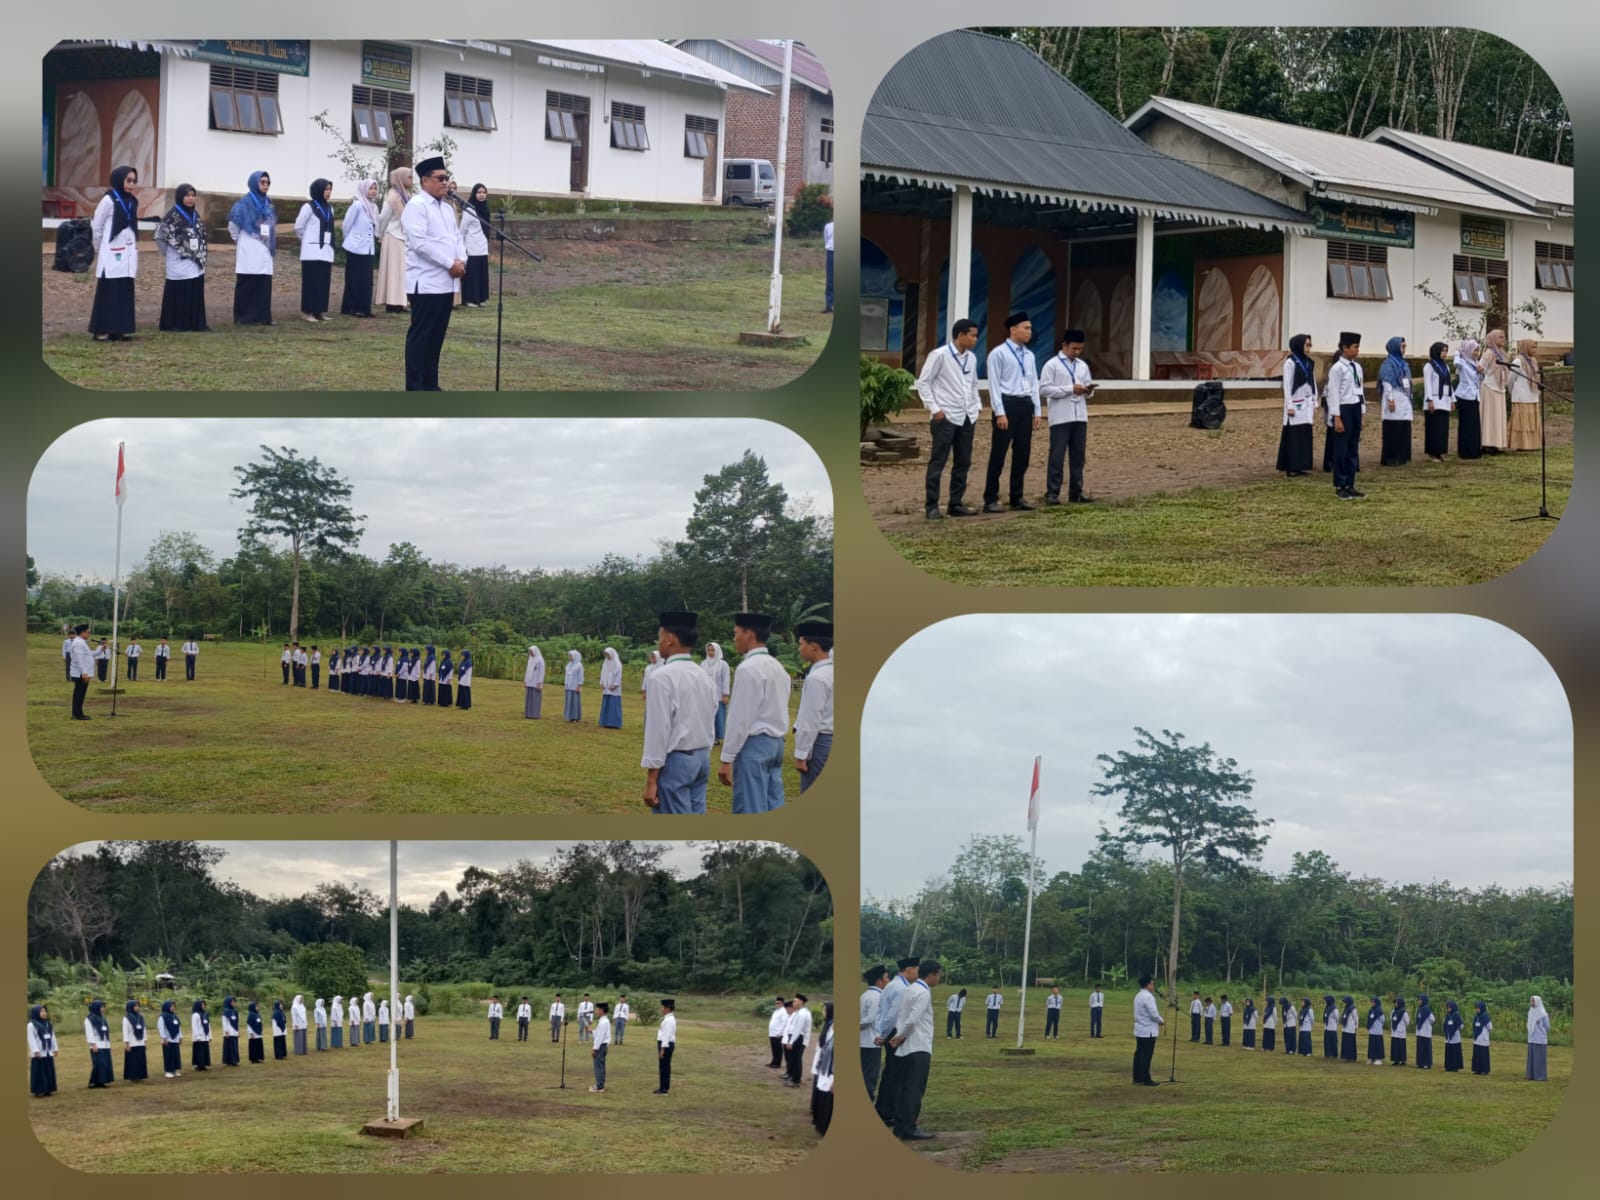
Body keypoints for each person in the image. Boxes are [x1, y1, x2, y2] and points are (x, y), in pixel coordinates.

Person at [640, 611, 718, 815]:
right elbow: (710, 718)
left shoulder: (661, 677)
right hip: (701, 757)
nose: (658, 642)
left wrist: (651, 780)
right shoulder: (704, 676)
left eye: (659, 636)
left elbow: (658, 730)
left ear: (670, 638)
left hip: (677, 761)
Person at [402, 156, 467, 391]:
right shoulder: (417, 206)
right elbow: (420, 243)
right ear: (425, 180)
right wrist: (450, 263)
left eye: (446, 177)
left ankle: (431, 384)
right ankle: (415, 387)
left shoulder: (447, 209)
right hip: (426, 282)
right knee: (421, 336)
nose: (445, 182)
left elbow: (457, 238)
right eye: (440, 178)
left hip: (446, 283)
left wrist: (462, 260)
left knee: (437, 338)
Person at [719, 612, 792, 813]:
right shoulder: (779, 668)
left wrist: (726, 758)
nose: (734, 638)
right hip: (776, 745)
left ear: (749, 634)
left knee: (749, 808)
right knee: (773, 804)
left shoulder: (748, 669)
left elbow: (740, 718)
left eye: (736, 633)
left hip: (754, 746)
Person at [916, 317, 983, 519]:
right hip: (945, 417)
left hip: (967, 416)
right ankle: (932, 505)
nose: (975, 340)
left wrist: (977, 406)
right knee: (938, 461)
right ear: (961, 335)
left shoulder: (971, 358)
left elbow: (972, 384)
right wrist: (935, 409)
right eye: (972, 335)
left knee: (963, 462)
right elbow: (924, 383)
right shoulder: (939, 355)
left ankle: (956, 504)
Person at [983, 311, 1043, 512]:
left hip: (1025, 405)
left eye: (1030, 328)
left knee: (1022, 454)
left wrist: (1037, 411)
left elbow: (1034, 383)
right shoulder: (998, 353)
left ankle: (1017, 497)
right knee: (998, 453)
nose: (1029, 332)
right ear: (1013, 329)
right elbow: (994, 385)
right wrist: (999, 412)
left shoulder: (1029, 355)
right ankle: (990, 499)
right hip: (1007, 404)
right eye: (1026, 328)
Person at [1042, 327, 1096, 502]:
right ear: (1064, 345)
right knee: (1057, 456)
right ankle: (1052, 493)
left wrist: (1088, 391)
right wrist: (1069, 389)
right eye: (1074, 348)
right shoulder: (1052, 365)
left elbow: (1088, 389)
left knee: (1078, 457)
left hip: (1080, 415)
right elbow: (1044, 389)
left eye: (1080, 349)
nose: (1077, 352)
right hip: (1060, 416)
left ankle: (1076, 492)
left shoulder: (1082, 365)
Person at [888, 960, 940, 1140]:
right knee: (914, 1089)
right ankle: (909, 1127)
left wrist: (899, 1035)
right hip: (918, 1046)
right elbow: (912, 1019)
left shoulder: (909, 989)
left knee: (904, 1088)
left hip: (906, 1048)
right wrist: (900, 1036)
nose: (938, 979)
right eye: (938, 976)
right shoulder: (923, 992)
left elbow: (901, 1016)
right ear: (931, 975)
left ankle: (900, 1126)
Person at [88, 165, 140, 341]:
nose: (131, 184)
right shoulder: (108, 200)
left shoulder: (132, 201)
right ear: (119, 179)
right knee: (109, 291)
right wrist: (97, 247)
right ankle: (101, 330)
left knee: (124, 291)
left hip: (128, 253)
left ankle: (119, 329)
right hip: (111, 254)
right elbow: (97, 226)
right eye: (128, 180)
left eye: (134, 181)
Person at [153, 183, 210, 332]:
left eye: (193, 195)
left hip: (194, 260)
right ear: (180, 197)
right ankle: (176, 324)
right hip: (178, 259)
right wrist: (168, 252)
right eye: (187, 195)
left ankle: (194, 323)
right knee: (180, 291)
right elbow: (160, 236)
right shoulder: (172, 216)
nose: (191, 198)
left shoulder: (195, 214)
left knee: (194, 288)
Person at [873, 957, 919, 1125]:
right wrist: (885, 1035)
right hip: (894, 1032)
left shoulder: (894, 985)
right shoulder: (901, 988)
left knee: (892, 1072)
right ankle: (886, 1111)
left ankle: (885, 1109)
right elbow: (893, 1015)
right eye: (916, 970)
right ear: (909, 969)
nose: (917, 973)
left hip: (890, 1031)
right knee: (895, 1073)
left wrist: (881, 1033)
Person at [227, 171, 277, 326]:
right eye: (262, 182)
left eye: (268, 183)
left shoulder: (269, 204)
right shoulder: (244, 203)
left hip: (265, 247)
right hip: (249, 245)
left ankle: (262, 317)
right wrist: (239, 239)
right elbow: (233, 224)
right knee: (248, 282)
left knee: (263, 282)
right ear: (254, 183)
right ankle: (244, 317)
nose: (266, 185)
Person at [794, 621, 834, 792]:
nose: (799, 649)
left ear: (813, 646)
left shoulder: (816, 678)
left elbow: (810, 719)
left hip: (819, 742)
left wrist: (801, 754)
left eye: (801, 644)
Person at [1328, 331, 1367, 499]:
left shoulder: (1356, 367)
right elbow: (1333, 394)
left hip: (1355, 407)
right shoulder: (1337, 369)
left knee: (1353, 448)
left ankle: (1350, 483)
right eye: (1354, 347)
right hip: (1343, 409)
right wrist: (1336, 416)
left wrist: (1362, 412)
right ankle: (1340, 484)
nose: (1357, 350)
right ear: (1345, 348)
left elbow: (1360, 390)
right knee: (1341, 449)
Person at [295, 178, 337, 321]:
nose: (329, 192)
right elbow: (299, 226)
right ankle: (307, 312)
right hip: (311, 252)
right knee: (311, 282)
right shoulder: (308, 207)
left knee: (323, 282)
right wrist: (307, 239)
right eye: (326, 189)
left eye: (330, 189)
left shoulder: (330, 208)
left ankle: (319, 311)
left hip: (326, 250)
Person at [339, 179, 380, 317]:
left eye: (375, 188)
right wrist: (350, 240)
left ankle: (364, 307)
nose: (373, 191)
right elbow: (347, 224)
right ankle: (352, 307)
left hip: (368, 248)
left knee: (366, 280)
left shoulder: (374, 207)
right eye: (370, 188)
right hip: (355, 247)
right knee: (354, 278)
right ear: (364, 189)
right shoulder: (358, 205)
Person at [1278, 333, 1317, 475]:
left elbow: (1312, 381)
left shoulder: (1309, 362)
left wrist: (1314, 400)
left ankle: (1302, 464)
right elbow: (1287, 385)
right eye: (1307, 345)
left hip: (1307, 402)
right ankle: (1291, 466)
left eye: (1310, 345)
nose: (1309, 348)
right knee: (1294, 434)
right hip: (1295, 402)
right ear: (1299, 345)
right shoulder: (1290, 363)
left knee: (1304, 432)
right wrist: (1289, 405)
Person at [377, 168, 412, 313]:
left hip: (403, 237)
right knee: (393, 270)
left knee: (402, 271)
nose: (411, 180)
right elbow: (383, 218)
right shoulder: (392, 197)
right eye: (409, 177)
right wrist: (380, 235)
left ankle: (400, 302)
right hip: (393, 236)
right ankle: (392, 303)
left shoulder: (406, 195)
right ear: (401, 178)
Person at [1378, 336, 1414, 466]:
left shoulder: (1403, 363)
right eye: (1402, 347)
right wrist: (1390, 399)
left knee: (1403, 426)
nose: (1404, 349)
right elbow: (1386, 382)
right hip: (1394, 396)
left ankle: (1403, 456)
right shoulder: (1389, 364)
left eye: (1405, 347)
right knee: (1393, 427)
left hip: (1404, 397)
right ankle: (1391, 458)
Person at [1478, 330, 1511, 453]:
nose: (1503, 339)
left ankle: (1496, 443)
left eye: (1504, 337)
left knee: (1498, 416)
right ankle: (1487, 443)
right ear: (1493, 339)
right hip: (1490, 388)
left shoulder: (1503, 354)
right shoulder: (1489, 353)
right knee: (1490, 416)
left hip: (1500, 388)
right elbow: (1480, 368)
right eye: (1500, 337)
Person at [461, 183, 492, 306]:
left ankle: (481, 298)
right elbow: (462, 229)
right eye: (479, 192)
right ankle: (470, 299)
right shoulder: (470, 209)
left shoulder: (485, 209)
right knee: (472, 273)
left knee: (481, 273)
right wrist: (461, 247)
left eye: (484, 192)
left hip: (482, 246)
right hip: (472, 246)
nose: (481, 195)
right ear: (474, 194)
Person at [1422, 342, 1454, 461]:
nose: (1444, 353)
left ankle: (1440, 451)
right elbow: (1428, 384)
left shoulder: (1446, 366)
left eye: (1446, 351)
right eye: (1442, 351)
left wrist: (1452, 399)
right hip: (1434, 400)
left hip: (1444, 401)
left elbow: (1449, 384)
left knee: (1442, 428)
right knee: (1434, 428)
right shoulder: (1429, 366)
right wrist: (1430, 399)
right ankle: (1432, 453)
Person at [1510, 339, 1544, 450]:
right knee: (1522, 423)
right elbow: (1511, 379)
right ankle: (1521, 445)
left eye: (1535, 347)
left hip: (1533, 395)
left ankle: (1533, 444)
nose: (1534, 350)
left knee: (1532, 423)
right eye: (1532, 347)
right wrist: (1513, 392)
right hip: (1522, 397)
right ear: (1525, 347)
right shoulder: (1518, 361)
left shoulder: (1533, 360)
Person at [1454, 339, 1483, 458]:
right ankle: (1465, 451)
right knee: (1466, 425)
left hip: (1475, 396)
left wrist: (1481, 372)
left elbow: (1480, 380)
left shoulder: (1476, 363)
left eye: (1478, 350)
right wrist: (1457, 352)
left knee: (1474, 425)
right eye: (1474, 350)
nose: (1476, 353)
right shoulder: (1463, 362)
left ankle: (1474, 450)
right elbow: (1456, 363)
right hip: (1465, 396)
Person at [1132, 974, 1163, 1086]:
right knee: (1146, 1055)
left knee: (1139, 1053)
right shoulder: (1148, 997)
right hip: (1148, 1030)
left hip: (1140, 1030)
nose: (1153, 986)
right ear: (1148, 984)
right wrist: (1161, 1020)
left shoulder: (1138, 996)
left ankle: (1137, 1077)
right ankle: (1146, 1078)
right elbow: (1153, 1014)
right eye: (1152, 983)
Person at [860, 968, 886, 1097]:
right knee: (870, 1076)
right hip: (872, 1042)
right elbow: (870, 1019)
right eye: (886, 978)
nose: (888, 980)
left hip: (863, 1041)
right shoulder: (877, 996)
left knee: (865, 1073)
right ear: (879, 981)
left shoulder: (865, 995)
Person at [810, 1002, 836, 1135]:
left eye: (825, 1011)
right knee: (822, 1096)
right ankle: (820, 1125)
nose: (822, 1013)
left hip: (831, 1072)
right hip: (824, 1069)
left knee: (828, 1100)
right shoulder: (829, 1026)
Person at [702, 642, 731, 741]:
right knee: (707, 716)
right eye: (708, 650)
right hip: (707, 695)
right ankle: (709, 736)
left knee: (719, 717)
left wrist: (725, 694)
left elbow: (726, 680)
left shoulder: (723, 664)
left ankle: (718, 737)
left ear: (717, 651)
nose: (710, 652)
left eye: (712, 650)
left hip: (719, 695)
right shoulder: (704, 664)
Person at [28, 1004, 59, 1097]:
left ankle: (48, 1089)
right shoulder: (31, 1025)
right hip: (39, 1053)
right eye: (41, 1011)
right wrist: (36, 1051)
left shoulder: (48, 1024)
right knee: (39, 1072)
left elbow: (52, 1037)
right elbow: (31, 1039)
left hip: (48, 1052)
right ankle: (39, 1090)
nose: (44, 1013)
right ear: (36, 1013)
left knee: (48, 1070)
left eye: (45, 1011)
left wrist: (55, 1048)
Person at [783, 996, 813, 1087]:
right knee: (793, 1059)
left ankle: (796, 1080)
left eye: (795, 1001)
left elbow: (798, 1029)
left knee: (796, 1060)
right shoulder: (798, 1012)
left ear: (801, 1002)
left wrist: (791, 1041)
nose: (793, 1003)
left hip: (798, 1038)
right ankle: (793, 1077)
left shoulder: (802, 1014)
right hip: (796, 1037)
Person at [68, 624, 94, 720]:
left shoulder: (81, 642)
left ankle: (78, 713)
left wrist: (100, 650)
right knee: (79, 693)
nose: (89, 634)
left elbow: (89, 655)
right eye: (88, 632)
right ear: (82, 632)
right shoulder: (78, 643)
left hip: (82, 672)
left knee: (80, 693)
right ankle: (77, 714)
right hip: (80, 673)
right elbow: (79, 659)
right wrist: (84, 672)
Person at [85, 1001, 114, 1087]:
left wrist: (108, 1044)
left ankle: (101, 1081)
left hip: (105, 1044)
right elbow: (89, 1032)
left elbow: (105, 1032)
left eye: (103, 1007)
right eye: (101, 1007)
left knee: (106, 1064)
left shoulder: (102, 1018)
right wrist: (93, 1044)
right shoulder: (89, 1019)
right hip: (96, 1044)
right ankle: (93, 1082)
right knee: (99, 1063)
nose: (103, 1009)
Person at [653, 998, 677, 1095]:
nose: (661, 1009)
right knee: (663, 1066)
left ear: (667, 1008)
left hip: (666, 1045)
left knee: (664, 1067)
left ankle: (664, 1089)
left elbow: (666, 1036)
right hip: (665, 1044)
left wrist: (662, 1049)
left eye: (663, 1007)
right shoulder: (668, 1018)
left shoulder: (669, 1020)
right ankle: (663, 1087)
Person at [588, 1001, 612, 1093]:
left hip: (600, 1046)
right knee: (601, 1066)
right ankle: (600, 1084)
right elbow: (598, 1034)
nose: (596, 1011)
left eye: (597, 1009)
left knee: (598, 1066)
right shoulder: (604, 1021)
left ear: (601, 1010)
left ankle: (599, 1086)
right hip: (603, 1046)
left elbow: (599, 1038)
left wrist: (595, 1049)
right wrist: (591, 1031)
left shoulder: (603, 1023)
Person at [122, 999, 149, 1081]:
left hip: (140, 1042)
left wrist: (145, 1041)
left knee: (141, 1059)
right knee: (133, 1061)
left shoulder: (141, 1017)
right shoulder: (127, 1018)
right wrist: (127, 1044)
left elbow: (144, 1029)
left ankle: (141, 1075)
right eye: (135, 1006)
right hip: (132, 1043)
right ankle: (133, 1076)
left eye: (138, 1006)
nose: (137, 1008)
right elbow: (125, 1032)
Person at [599, 648, 624, 728]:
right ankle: (605, 722)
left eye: (608, 654)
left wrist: (615, 685)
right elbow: (602, 673)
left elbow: (619, 676)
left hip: (614, 688)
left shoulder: (618, 664)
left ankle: (614, 723)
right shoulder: (605, 663)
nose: (607, 656)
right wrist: (601, 682)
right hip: (606, 687)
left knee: (613, 705)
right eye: (606, 654)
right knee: (606, 704)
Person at [1526, 996, 1549, 1081]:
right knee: (1532, 1058)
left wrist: (1540, 1032)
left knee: (1539, 1058)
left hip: (1540, 1039)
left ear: (1538, 1002)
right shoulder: (1530, 1012)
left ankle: (1540, 1076)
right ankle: (1531, 1075)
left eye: (1533, 1001)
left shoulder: (1543, 1014)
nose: (1532, 1003)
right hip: (1531, 1038)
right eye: (1531, 1001)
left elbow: (1547, 1026)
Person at [158, 999, 183, 1077]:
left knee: (175, 1055)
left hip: (175, 1039)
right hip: (168, 1039)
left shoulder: (175, 1016)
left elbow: (178, 1027)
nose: (173, 1007)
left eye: (174, 1006)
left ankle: (175, 1070)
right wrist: (164, 1038)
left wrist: (180, 1037)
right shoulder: (163, 1016)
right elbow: (161, 1028)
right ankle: (168, 1071)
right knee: (168, 1055)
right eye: (171, 1006)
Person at [1441, 999, 1464, 1072]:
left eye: (1450, 1007)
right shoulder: (1447, 1016)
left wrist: (1455, 1028)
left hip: (1455, 1037)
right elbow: (1445, 1024)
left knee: (1455, 1052)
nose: (1448, 1009)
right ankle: (1448, 1066)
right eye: (1448, 1007)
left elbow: (1461, 1026)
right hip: (1448, 1037)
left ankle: (1455, 1067)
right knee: (1449, 1052)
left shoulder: (1457, 1016)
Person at [1471, 1000, 1493, 1075]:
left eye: (1478, 1008)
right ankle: (1477, 1069)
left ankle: (1484, 1070)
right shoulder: (1476, 1017)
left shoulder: (1485, 1017)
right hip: (1477, 1039)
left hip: (1483, 1039)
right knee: (1477, 1055)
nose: (1477, 1010)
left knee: (1483, 1055)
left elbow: (1490, 1027)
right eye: (1476, 1008)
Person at [1414, 993, 1434, 1069]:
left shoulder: (1426, 1009)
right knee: (1420, 1048)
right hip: (1420, 1032)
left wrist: (1427, 1023)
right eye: (1418, 1000)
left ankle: (1426, 1063)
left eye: (1420, 1000)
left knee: (1426, 1048)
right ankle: (1420, 1063)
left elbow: (1433, 1019)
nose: (1419, 1001)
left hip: (1426, 1032)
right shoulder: (1419, 1009)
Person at [768, 996, 789, 1068]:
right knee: (774, 1048)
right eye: (776, 1003)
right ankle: (773, 1061)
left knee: (778, 1049)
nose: (777, 1004)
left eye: (778, 1003)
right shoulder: (776, 1011)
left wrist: (780, 1032)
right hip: (772, 1033)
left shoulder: (783, 1011)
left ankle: (777, 1063)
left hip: (777, 1033)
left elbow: (784, 1023)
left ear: (782, 1003)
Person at [523, 646, 544, 717]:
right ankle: (528, 713)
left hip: (536, 683)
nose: (530, 653)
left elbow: (541, 673)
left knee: (535, 698)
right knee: (529, 699)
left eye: (531, 652)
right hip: (529, 682)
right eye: (530, 652)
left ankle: (535, 714)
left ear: (535, 651)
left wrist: (539, 683)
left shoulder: (540, 661)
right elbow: (527, 671)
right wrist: (525, 681)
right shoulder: (530, 660)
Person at [190, 999, 211, 1071]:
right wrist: (198, 1036)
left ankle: (204, 1064)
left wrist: (209, 1035)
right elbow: (194, 1026)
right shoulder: (195, 1015)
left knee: (204, 1051)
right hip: (198, 1036)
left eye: (204, 1004)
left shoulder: (205, 1014)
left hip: (205, 1035)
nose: (203, 1006)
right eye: (202, 1004)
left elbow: (208, 1025)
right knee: (199, 1051)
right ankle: (199, 1065)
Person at [564, 649, 585, 721]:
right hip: (568, 685)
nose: (569, 657)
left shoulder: (579, 665)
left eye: (571, 656)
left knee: (575, 702)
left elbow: (581, 676)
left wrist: (579, 685)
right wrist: (565, 684)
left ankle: (575, 717)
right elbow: (566, 675)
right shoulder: (569, 664)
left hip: (575, 686)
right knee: (569, 701)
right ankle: (569, 716)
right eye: (569, 656)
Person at [1389, 995, 1409, 1065]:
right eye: (1394, 1003)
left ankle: (1402, 1060)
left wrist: (1402, 1026)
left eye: (1396, 1003)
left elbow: (1407, 1022)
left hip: (1401, 1032)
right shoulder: (1393, 1011)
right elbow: (1391, 1019)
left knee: (1401, 1046)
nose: (1395, 1004)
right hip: (1394, 1032)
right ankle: (1395, 1060)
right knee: (1395, 1046)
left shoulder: (1404, 1012)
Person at [221, 996, 241, 1065]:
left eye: (234, 1001)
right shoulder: (226, 1011)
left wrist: (238, 1031)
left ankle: (234, 1060)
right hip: (229, 1032)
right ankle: (229, 1061)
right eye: (232, 1001)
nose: (233, 1003)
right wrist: (226, 1031)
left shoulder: (235, 1011)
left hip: (234, 1031)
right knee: (229, 1047)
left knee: (235, 1047)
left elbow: (237, 1022)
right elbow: (224, 1022)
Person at [1366, 996, 1385, 1065]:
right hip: (1372, 1031)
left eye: (1373, 1002)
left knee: (1378, 1045)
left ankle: (1378, 1059)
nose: (1372, 1003)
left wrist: (1378, 1025)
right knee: (1371, 1045)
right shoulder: (1371, 1010)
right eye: (1371, 1002)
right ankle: (1371, 1057)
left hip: (1378, 1031)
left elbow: (1382, 1020)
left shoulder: (1379, 1011)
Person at [821, 217, 834, 313]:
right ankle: (829, 305)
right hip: (831, 252)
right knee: (830, 280)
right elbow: (826, 240)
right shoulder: (828, 226)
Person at [1341, 995, 1359, 1063]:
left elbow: (1356, 1018)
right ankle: (1346, 1056)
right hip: (1345, 1028)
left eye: (1345, 1002)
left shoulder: (1352, 1008)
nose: (1344, 1003)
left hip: (1350, 1029)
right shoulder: (1346, 1008)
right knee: (1345, 1043)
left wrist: (1356, 1026)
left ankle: (1351, 1057)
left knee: (1350, 1043)